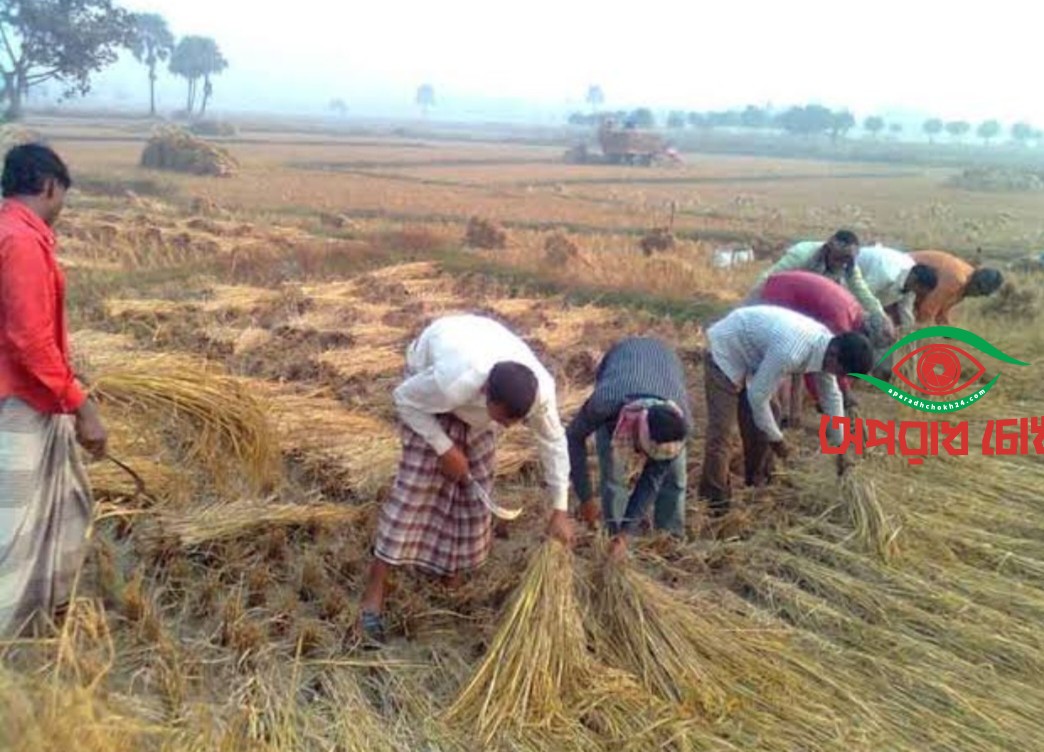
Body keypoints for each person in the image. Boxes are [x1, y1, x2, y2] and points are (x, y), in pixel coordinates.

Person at [357, 313, 573, 645]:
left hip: (476, 374)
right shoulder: (451, 381)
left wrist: (559, 509)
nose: (507, 429)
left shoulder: (538, 393)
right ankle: (375, 592)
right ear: (487, 393)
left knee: (472, 495)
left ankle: (449, 574)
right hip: (426, 393)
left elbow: (553, 442)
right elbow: (404, 400)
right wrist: (444, 449)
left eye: (515, 422)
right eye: (502, 419)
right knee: (415, 493)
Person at [0, 144, 108, 637]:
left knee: (67, 503)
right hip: (16, 404)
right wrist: (81, 402)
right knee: (13, 527)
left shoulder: (13, 231)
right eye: (62, 195)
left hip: (33, 398)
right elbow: (26, 338)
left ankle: (41, 615)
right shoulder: (20, 241)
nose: (62, 206)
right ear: (48, 186)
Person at [697, 305, 874, 516]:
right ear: (834, 356)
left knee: (768, 417)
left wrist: (840, 448)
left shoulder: (826, 348)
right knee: (722, 432)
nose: (839, 376)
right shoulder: (791, 352)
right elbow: (757, 397)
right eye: (842, 372)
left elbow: (831, 396)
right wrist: (777, 439)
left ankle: (757, 484)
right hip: (728, 348)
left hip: (755, 358)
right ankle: (715, 504)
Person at [566, 337, 692, 559]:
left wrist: (628, 533)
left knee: (674, 477)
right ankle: (613, 534)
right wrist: (586, 498)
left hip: (665, 362)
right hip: (621, 360)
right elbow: (573, 437)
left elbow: (650, 480)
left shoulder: (680, 424)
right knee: (613, 472)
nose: (644, 458)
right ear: (635, 432)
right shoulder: (605, 404)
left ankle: (669, 539)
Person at [754, 270, 887, 419]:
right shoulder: (840, 323)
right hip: (776, 292)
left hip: (787, 293)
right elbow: (818, 364)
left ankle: (786, 415)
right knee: (771, 367)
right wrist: (838, 395)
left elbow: (822, 364)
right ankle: (774, 418)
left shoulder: (855, 313)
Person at [747, 230, 892, 339]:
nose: (841, 263)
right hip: (791, 294)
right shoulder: (803, 254)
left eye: (846, 259)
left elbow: (863, 292)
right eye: (839, 258)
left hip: (815, 301)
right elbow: (769, 278)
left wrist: (881, 316)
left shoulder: (849, 266)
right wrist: (747, 307)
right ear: (829, 247)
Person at [856, 244, 939, 330]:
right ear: (915, 279)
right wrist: (884, 319)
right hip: (849, 274)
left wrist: (910, 336)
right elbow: (862, 295)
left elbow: (906, 310)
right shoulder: (888, 274)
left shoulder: (911, 281)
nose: (917, 295)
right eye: (919, 290)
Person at [909, 250, 1004, 325]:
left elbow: (940, 313)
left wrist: (950, 335)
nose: (976, 295)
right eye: (979, 290)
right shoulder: (956, 280)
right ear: (976, 283)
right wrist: (925, 340)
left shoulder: (964, 286)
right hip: (901, 275)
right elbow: (926, 311)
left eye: (982, 294)